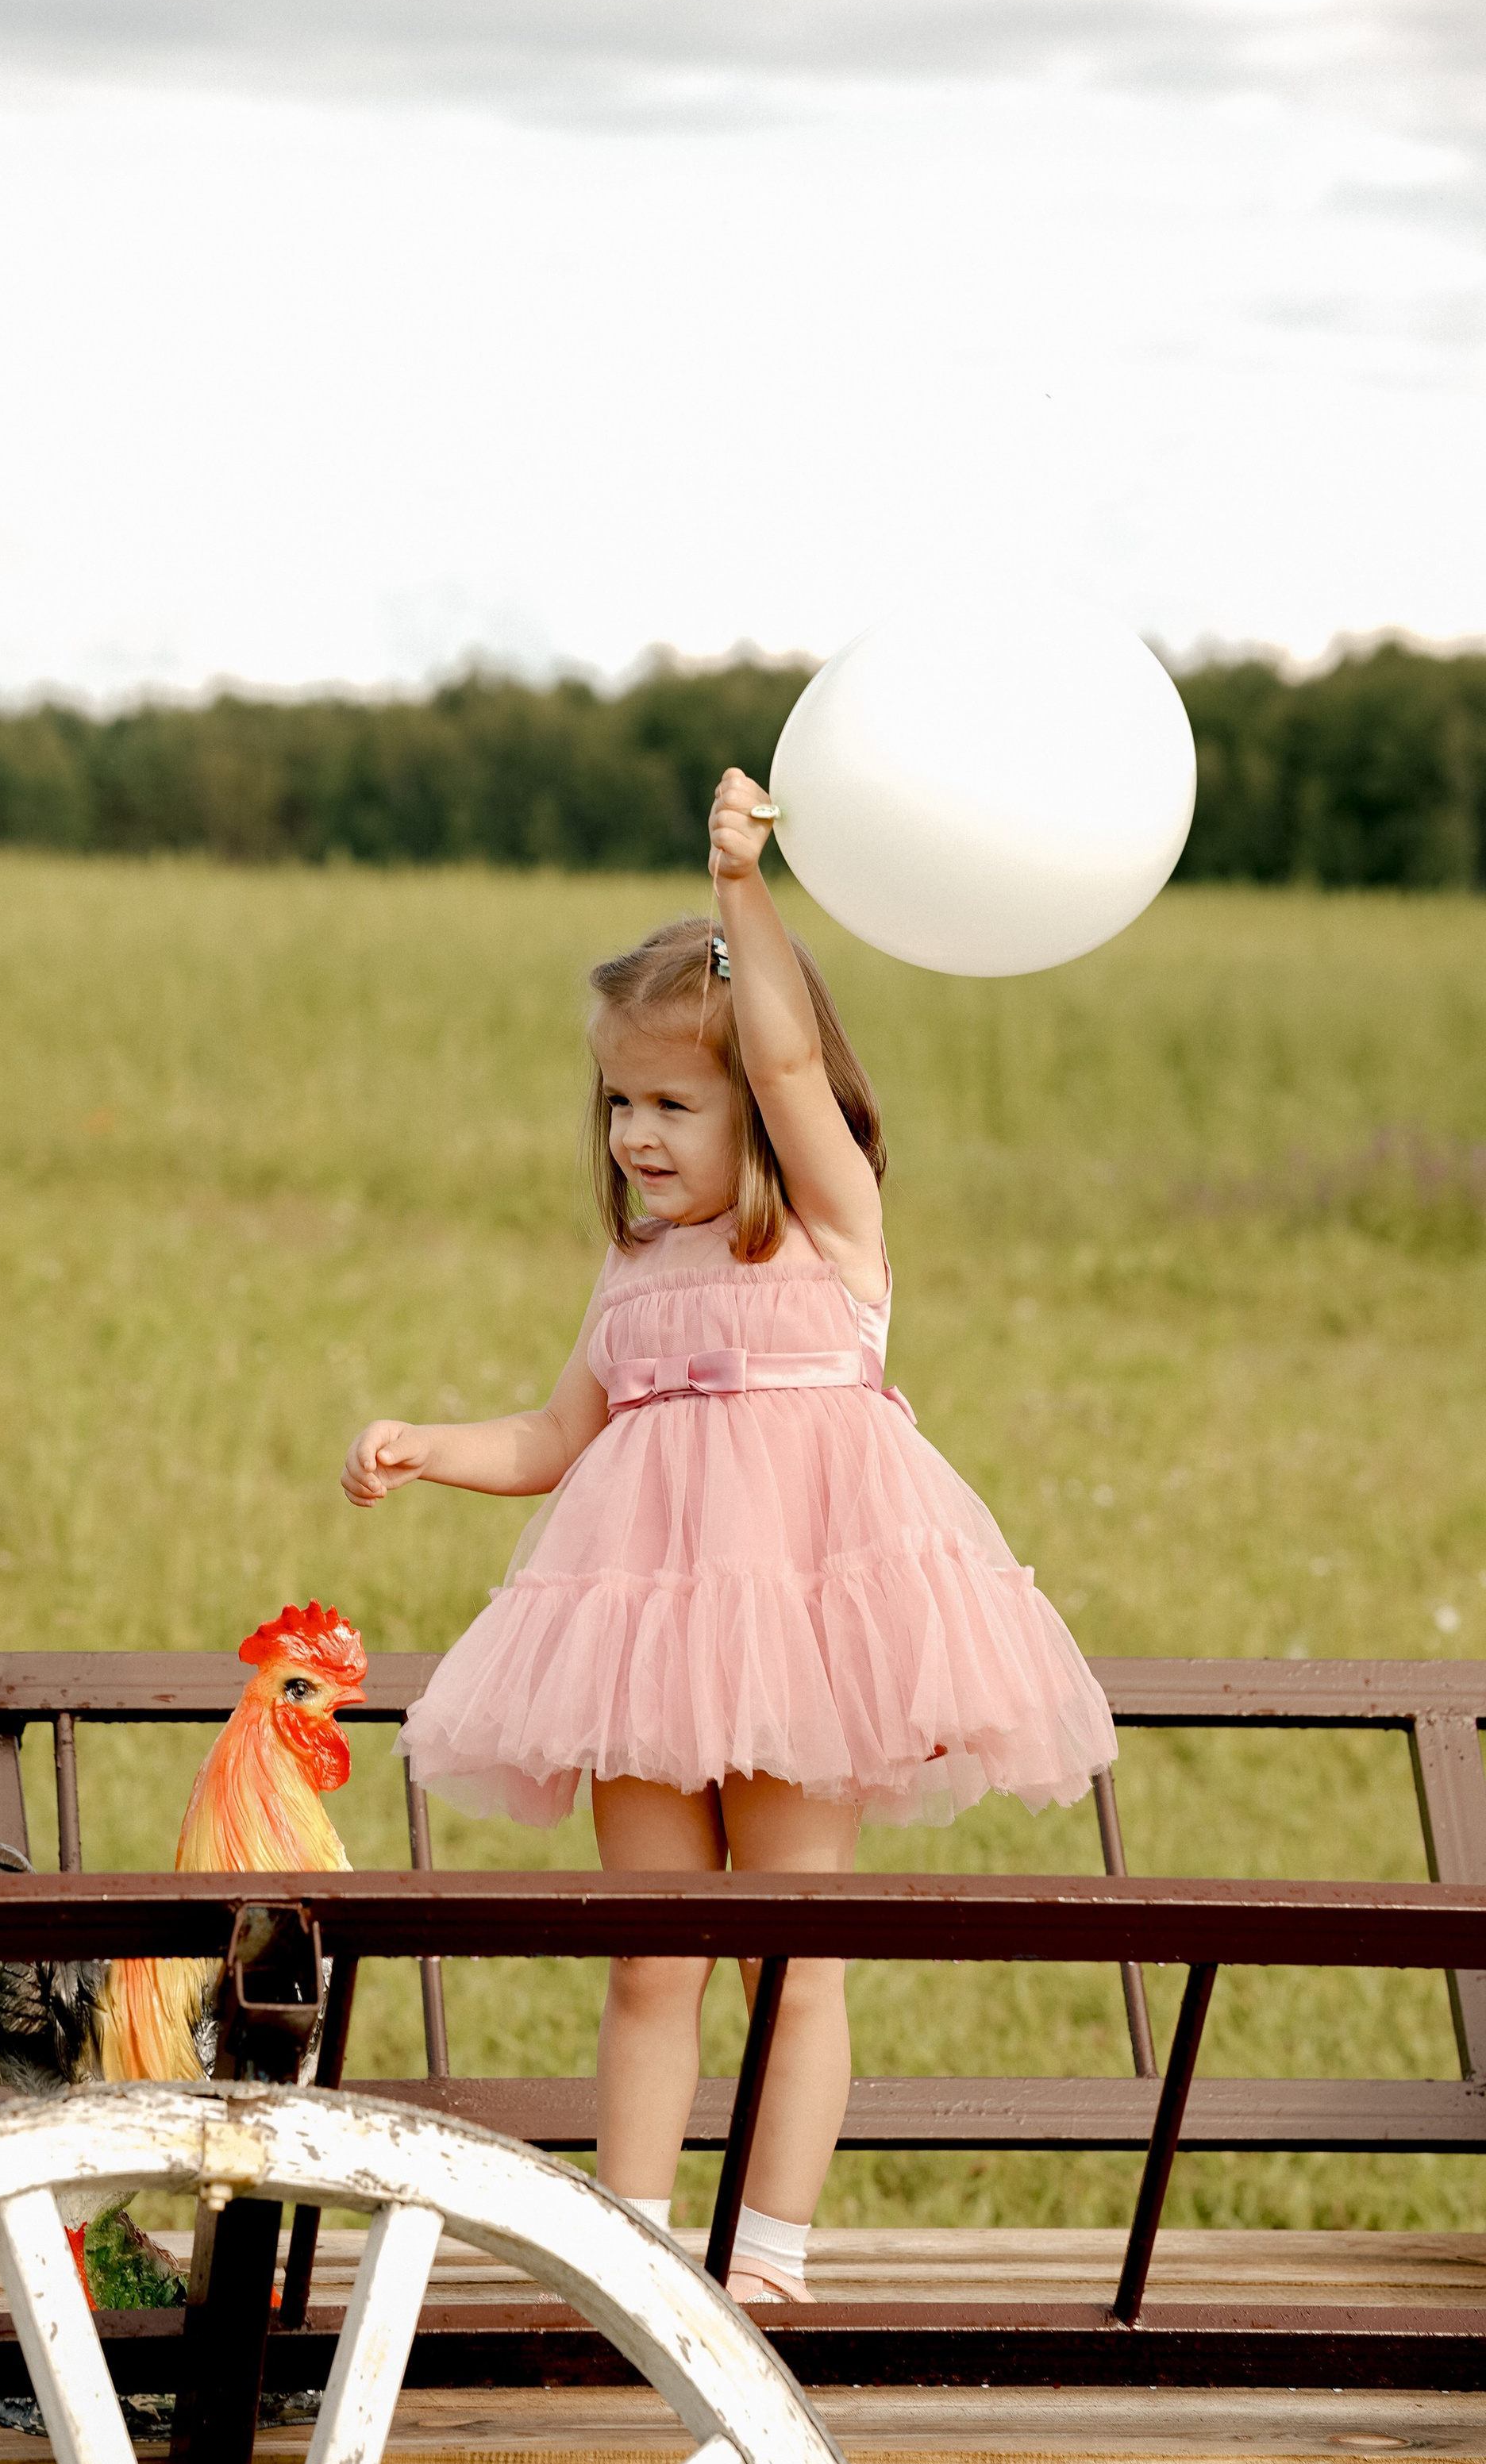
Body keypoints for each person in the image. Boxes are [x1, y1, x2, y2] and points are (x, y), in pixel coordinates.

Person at [340, 767, 1115, 2304]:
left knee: (789, 1955)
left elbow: (774, 1040)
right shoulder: (631, 1277)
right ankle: (627, 2248)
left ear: (760, 1110)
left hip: (807, 1643)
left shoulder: (827, 1230)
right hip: (642, 1650)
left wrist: (740, 895)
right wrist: (429, 1447)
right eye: (617, 1100)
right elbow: (556, 1440)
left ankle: (763, 2260)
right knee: (649, 1953)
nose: (634, 1131)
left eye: (671, 1101)